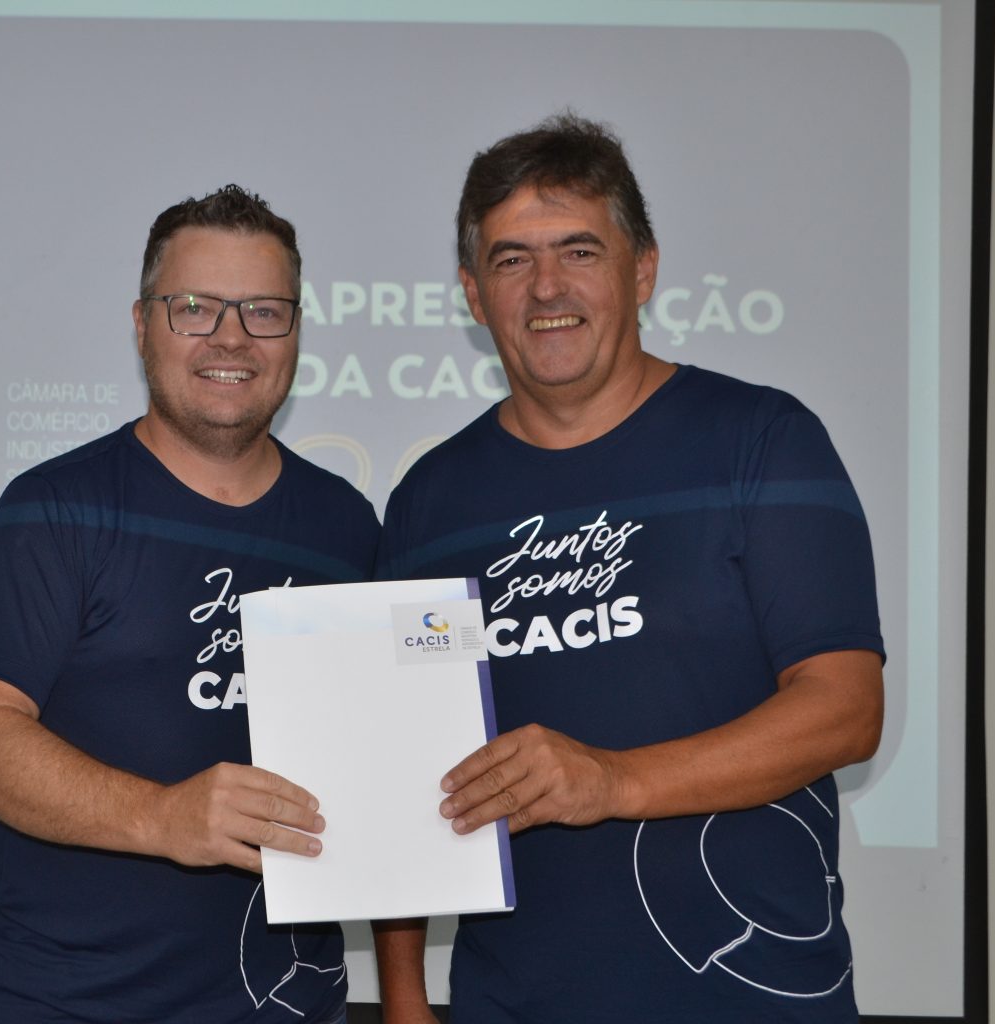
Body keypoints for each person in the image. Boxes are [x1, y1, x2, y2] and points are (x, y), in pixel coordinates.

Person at [373, 114, 886, 1023]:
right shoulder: (428, 502)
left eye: (579, 250)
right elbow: (402, 764)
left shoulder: (764, 442)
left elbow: (846, 710)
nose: (547, 287)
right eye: (511, 260)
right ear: (472, 294)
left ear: (641, 270)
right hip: (509, 1002)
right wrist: (406, 999)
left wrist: (611, 781)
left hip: (753, 999)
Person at [0, 185, 377, 1024]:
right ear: (143, 326)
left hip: (291, 1006)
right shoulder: (55, 510)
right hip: (67, 1008)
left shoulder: (346, 526)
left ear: (295, 333)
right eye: (195, 308)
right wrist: (162, 816)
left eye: (263, 312)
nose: (231, 338)